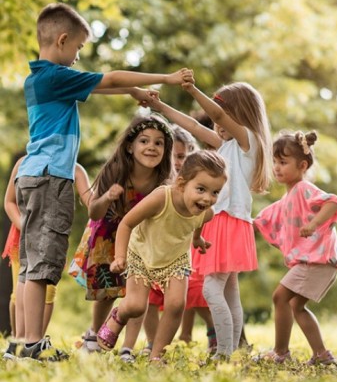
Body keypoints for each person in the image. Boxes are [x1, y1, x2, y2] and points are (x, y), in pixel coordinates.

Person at [15, 2, 192, 361]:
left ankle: (25, 342)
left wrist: (132, 94)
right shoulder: (54, 76)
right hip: (51, 178)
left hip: (34, 176)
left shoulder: (40, 79)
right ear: (62, 40)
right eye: (78, 48)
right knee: (43, 266)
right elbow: (108, 78)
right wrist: (166, 79)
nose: (79, 56)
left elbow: (102, 87)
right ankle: (31, 345)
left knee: (33, 264)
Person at [150, 81, 272, 359]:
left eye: (225, 114)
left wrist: (192, 90)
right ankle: (231, 351)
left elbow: (216, 116)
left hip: (228, 222)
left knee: (210, 287)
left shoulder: (248, 142)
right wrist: (159, 107)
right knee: (229, 292)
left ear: (240, 115)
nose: (217, 123)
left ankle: (224, 353)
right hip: (224, 223)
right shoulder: (227, 145)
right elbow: (194, 127)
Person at [96, 150, 227, 362]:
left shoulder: (206, 212)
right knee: (137, 306)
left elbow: (199, 222)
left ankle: (157, 356)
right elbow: (126, 223)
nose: (207, 198)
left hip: (176, 259)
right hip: (142, 253)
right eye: (201, 189)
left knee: (176, 305)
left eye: (215, 192)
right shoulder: (161, 197)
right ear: (182, 184)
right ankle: (118, 315)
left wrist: (196, 240)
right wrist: (120, 257)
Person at [69, 113, 174, 361]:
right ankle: (93, 334)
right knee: (107, 291)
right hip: (108, 234)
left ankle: (127, 347)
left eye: (159, 143)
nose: (151, 147)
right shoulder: (116, 170)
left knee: (137, 293)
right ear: (130, 146)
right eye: (144, 141)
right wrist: (106, 197)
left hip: (141, 239)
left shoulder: (163, 180)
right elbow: (94, 211)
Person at [253, 131, 337, 365]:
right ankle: (322, 355)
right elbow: (264, 219)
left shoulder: (304, 188)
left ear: (302, 165)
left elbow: (333, 202)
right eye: (275, 162)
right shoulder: (288, 197)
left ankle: (280, 352)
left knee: (280, 297)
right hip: (318, 261)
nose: (277, 167)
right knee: (295, 305)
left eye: (283, 162)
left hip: (318, 260)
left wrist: (313, 224)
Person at [2, 156, 91, 360]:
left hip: (49, 239)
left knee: (47, 290)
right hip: (22, 239)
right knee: (19, 292)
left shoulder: (74, 168)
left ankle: (35, 342)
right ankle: (19, 341)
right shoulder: (24, 163)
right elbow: (9, 202)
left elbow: (90, 199)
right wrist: (26, 228)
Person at [140, 126, 217, 355]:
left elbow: (204, 213)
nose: (176, 162)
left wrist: (197, 237)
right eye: (173, 155)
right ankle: (153, 342)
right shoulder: (155, 181)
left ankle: (212, 332)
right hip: (151, 250)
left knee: (191, 294)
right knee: (150, 299)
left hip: (180, 251)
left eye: (182, 156)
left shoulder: (195, 186)